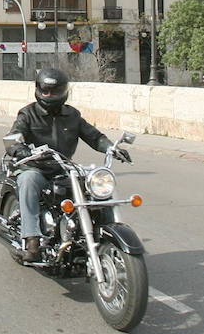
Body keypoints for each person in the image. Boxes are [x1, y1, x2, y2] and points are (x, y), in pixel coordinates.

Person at [7, 67, 130, 261]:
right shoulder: (28, 113)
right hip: (35, 166)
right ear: (38, 89)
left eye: (54, 91)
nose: (49, 95)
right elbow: (14, 136)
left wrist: (110, 148)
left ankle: (100, 232)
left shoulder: (72, 115)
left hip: (63, 168)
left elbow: (94, 136)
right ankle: (32, 239)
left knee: (93, 186)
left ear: (64, 91)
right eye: (45, 90)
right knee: (29, 180)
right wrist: (19, 148)